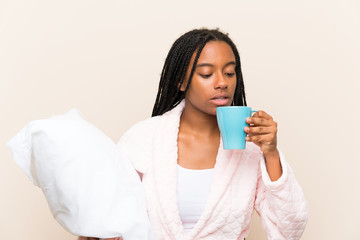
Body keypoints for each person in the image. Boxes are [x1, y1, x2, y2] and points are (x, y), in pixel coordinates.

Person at [80, 28, 308, 240]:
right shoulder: (144, 139)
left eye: (229, 72)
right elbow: (106, 211)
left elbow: (289, 229)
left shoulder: (250, 149)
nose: (222, 83)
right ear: (181, 80)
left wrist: (271, 152)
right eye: (207, 74)